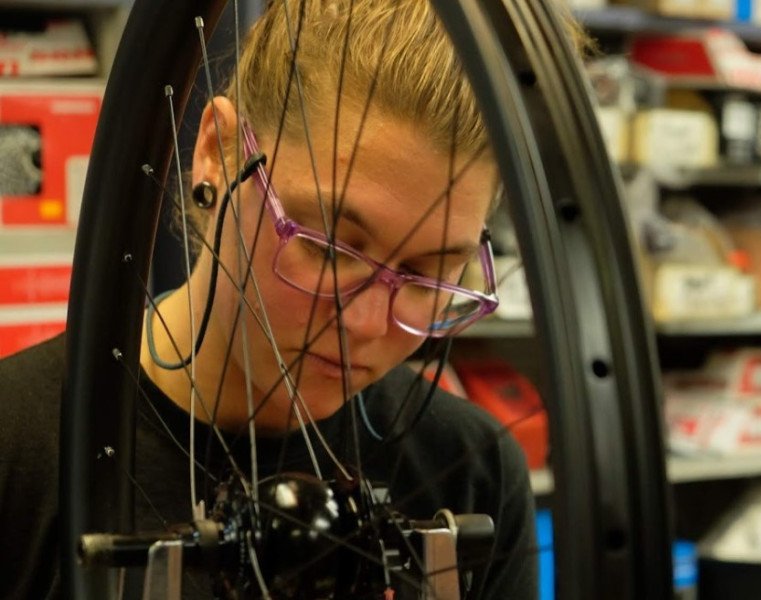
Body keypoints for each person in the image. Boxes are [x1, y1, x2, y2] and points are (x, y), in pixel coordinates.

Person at [0, 0, 571, 597]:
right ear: (217, 152)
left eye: (428, 275)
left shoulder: (476, 476)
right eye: (329, 249)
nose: (365, 325)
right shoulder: (16, 451)